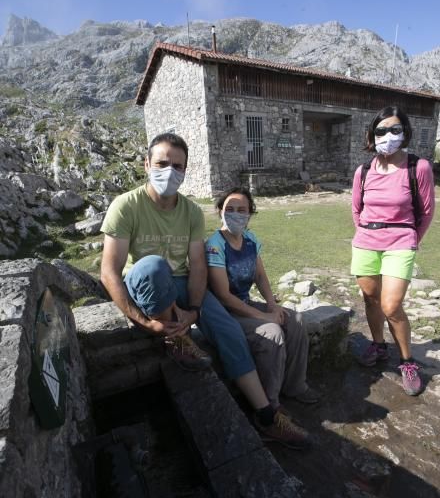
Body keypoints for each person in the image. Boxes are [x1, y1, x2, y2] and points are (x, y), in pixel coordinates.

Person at [100, 132, 311, 449]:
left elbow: (197, 266)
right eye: (161, 163)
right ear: (146, 164)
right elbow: (109, 271)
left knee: (230, 332)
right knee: (153, 266)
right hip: (146, 282)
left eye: (177, 166)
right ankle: (176, 337)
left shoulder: (191, 212)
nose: (169, 171)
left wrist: (196, 309)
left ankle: (267, 415)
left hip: (183, 283)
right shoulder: (126, 206)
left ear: (185, 171)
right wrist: (143, 321)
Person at [205, 187, 319, 411]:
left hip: (245, 305)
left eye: (242, 210)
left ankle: (295, 386)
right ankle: (270, 404)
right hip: (224, 313)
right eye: (230, 209)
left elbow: (259, 275)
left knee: (295, 320)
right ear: (220, 211)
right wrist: (264, 316)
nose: (236, 214)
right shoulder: (215, 246)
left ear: (250, 214)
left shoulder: (250, 239)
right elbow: (223, 296)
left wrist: (272, 305)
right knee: (272, 332)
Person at [351, 106, 435, 395]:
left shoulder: (418, 167)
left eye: (395, 130)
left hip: (401, 243)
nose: (388, 136)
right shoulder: (363, 171)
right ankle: (378, 344)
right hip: (366, 242)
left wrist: (412, 238)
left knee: (390, 305)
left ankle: (408, 361)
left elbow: (426, 211)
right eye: (381, 130)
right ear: (372, 135)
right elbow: (356, 209)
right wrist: (366, 234)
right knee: (371, 300)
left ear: (405, 132)